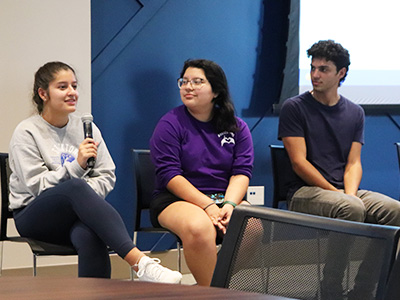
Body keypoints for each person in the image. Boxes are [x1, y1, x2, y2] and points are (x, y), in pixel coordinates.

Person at [8, 61, 182, 283]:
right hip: (34, 215)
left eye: (74, 86)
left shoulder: (86, 128)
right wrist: (77, 168)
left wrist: (84, 196)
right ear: (43, 93)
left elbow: (107, 174)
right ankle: (141, 263)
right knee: (76, 187)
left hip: (75, 213)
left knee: (89, 232)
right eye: (62, 87)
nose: (72, 92)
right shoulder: (27, 132)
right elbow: (36, 185)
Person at [278, 40, 400, 299]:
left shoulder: (355, 112)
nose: (315, 75)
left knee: (395, 210)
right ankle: (330, 288)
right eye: (312, 68)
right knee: (351, 208)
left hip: (343, 191)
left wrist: (350, 192)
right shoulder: (294, 107)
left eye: (323, 69)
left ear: (341, 73)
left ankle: (364, 289)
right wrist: (340, 194)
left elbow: (354, 162)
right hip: (304, 191)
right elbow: (299, 163)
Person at [149, 59, 254, 286]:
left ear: (216, 90)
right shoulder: (170, 123)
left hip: (222, 198)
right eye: (184, 81)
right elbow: (169, 175)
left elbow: (241, 172)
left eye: (197, 81)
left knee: (252, 225)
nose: (188, 87)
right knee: (199, 226)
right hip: (175, 200)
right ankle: (214, 292)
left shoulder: (237, 128)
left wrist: (229, 205)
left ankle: (211, 288)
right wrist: (206, 205)